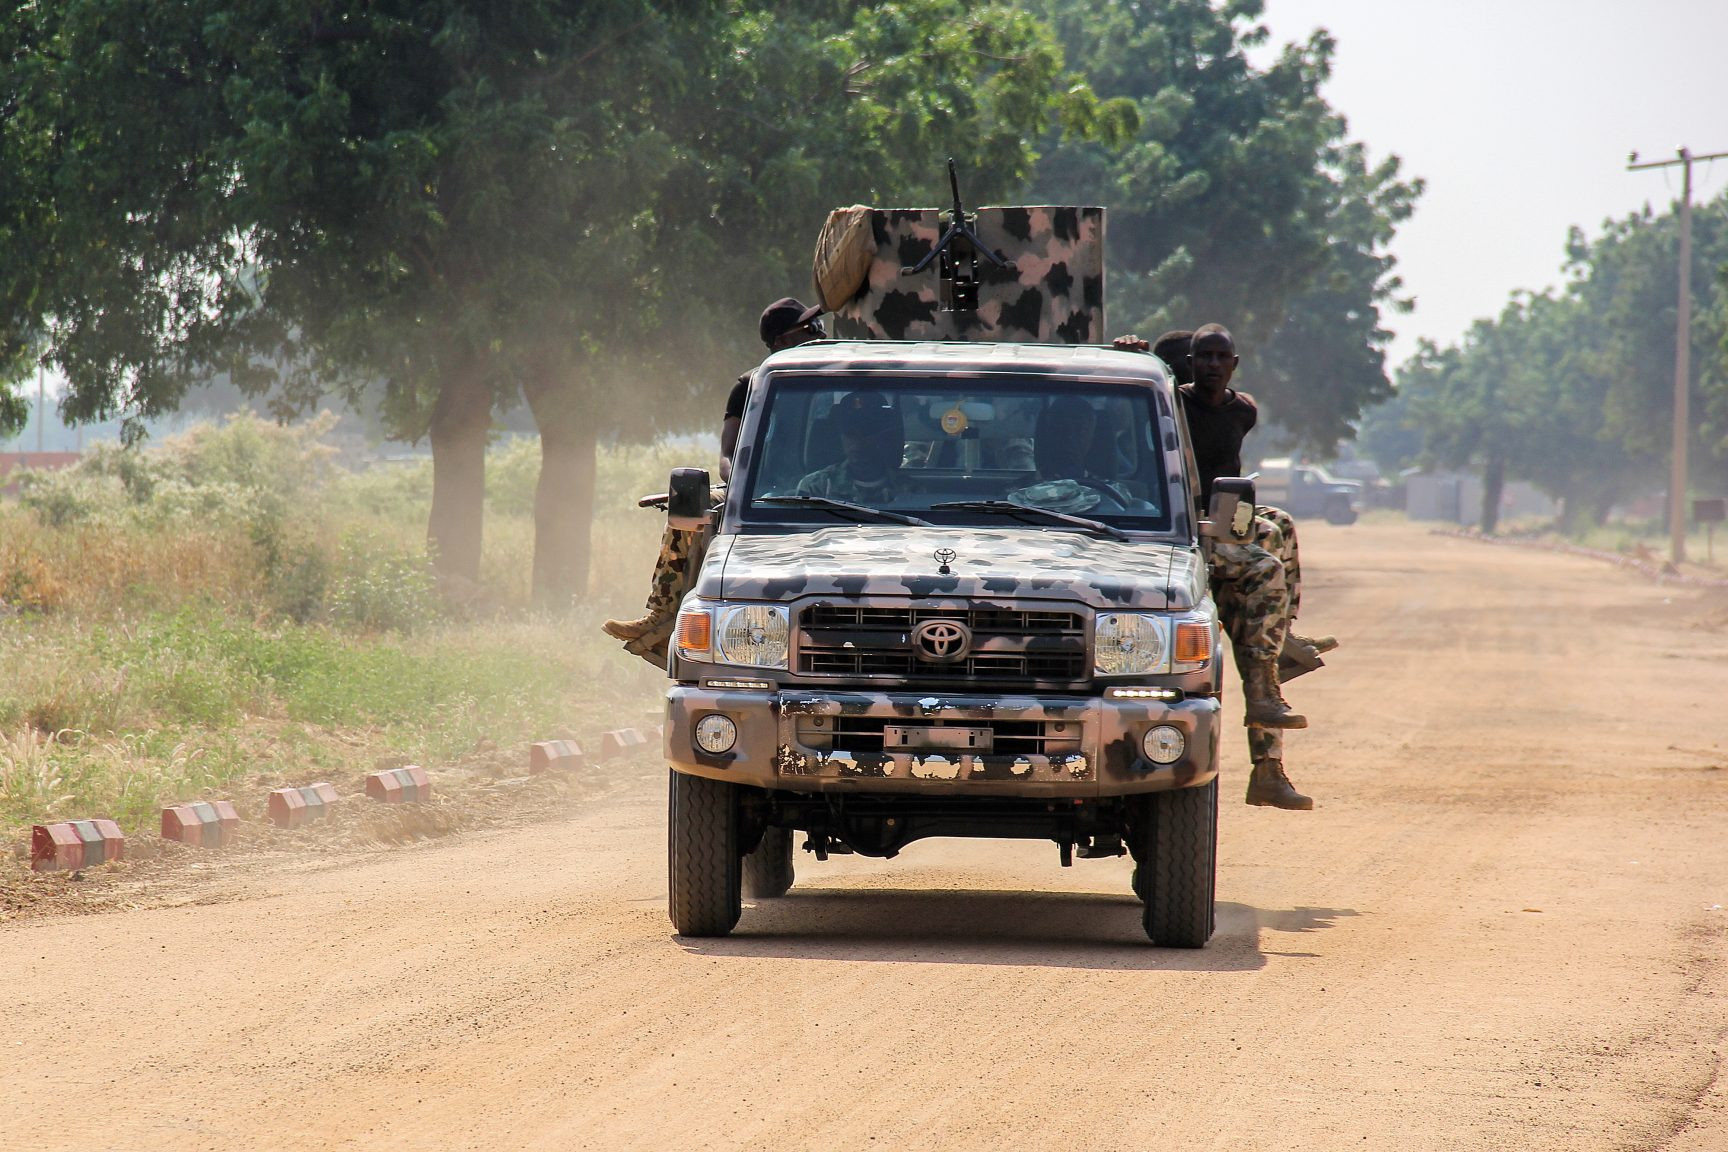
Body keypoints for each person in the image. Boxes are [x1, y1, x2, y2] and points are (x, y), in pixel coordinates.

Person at [1119, 325, 1331, 809]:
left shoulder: (1244, 411)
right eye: (1202, 357)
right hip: (1183, 530)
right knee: (1263, 580)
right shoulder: (1170, 407)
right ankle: (1274, 654)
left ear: (1234, 362)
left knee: (1278, 528)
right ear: (1189, 366)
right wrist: (1133, 355)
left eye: (1221, 357)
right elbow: (1143, 396)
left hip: (1224, 524)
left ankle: (1283, 638)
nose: (1212, 365)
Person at [603, 298, 827, 651]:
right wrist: (743, 487)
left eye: (819, 327)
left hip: (841, 494)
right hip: (767, 496)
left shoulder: (846, 379)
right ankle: (663, 611)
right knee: (694, 506)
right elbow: (727, 454)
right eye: (810, 329)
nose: (821, 334)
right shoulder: (753, 387)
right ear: (782, 343)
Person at [794, 391, 905, 502]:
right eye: (849, 433)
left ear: (883, 436)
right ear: (840, 437)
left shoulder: (910, 490)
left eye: (867, 432)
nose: (858, 441)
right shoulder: (817, 487)